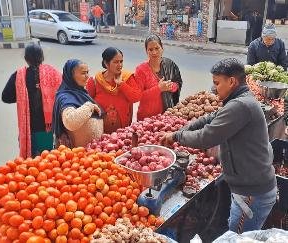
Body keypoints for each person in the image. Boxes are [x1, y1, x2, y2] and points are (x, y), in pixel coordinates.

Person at [161, 58, 277, 234]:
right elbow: (211, 117)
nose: (214, 88)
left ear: (232, 81)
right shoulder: (240, 99)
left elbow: (206, 137)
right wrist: (185, 128)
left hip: (251, 194)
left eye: (217, 83)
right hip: (251, 188)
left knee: (237, 237)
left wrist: (176, 136)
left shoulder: (240, 106)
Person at [2, 44, 62, 158]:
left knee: (31, 163)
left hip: (29, 127)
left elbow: (6, 97)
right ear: (42, 57)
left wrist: (22, 96)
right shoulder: (53, 73)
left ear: (26, 58)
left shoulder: (18, 75)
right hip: (48, 127)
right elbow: (63, 91)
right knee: (48, 160)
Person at [86, 47, 141, 134]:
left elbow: (136, 97)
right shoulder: (95, 81)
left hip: (123, 133)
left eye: (121, 61)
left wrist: (121, 84)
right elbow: (87, 104)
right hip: (100, 132)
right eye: (115, 62)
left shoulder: (127, 78)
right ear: (106, 63)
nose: (120, 65)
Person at [52, 59, 103, 148]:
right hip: (76, 155)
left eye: (87, 72)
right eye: (83, 73)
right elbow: (70, 121)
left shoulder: (81, 92)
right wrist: (89, 106)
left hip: (93, 154)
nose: (87, 76)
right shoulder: (65, 97)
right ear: (71, 76)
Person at [135, 34, 183, 121]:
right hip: (146, 118)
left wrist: (171, 86)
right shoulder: (141, 69)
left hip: (167, 115)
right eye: (150, 49)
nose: (154, 52)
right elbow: (139, 96)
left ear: (162, 48)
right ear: (146, 51)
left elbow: (178, 83)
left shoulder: (170, 64)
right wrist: (159, 88)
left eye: (157, 48)